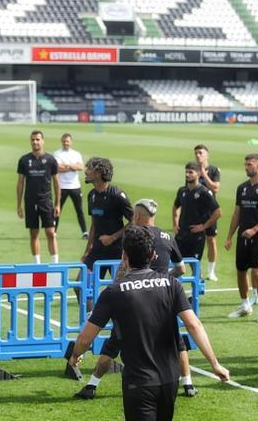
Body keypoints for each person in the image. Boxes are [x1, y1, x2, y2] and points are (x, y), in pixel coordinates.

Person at [69, 225, 229, 421]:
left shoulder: (113, 292)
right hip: (169, 380)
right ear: (153, 255)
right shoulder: (171, 284)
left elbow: (86, 337)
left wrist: (76, 354)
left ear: (124, 255)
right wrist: (215, 363)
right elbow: (194, 325)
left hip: (139, 382)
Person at [75, 199, 197, 401]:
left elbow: (124, 268)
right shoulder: (167, 236)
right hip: (163, 299)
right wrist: (165, 281)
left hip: (133, 297)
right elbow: (182, 269)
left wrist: (117, 289)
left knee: (114, 343)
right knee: (177, 341)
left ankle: (92, 385)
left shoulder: (135, 237)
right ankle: (188, 383)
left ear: (138, 216)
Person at [224, 153, 258, 325]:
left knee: (257, 272)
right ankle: (245, 305)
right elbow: (237, 213)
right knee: (240, 271)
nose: (247, 167)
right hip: (242, 237)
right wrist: (230, 236)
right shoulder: (242, 188)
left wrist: (255, 229)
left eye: (250, 164)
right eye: (245, 164)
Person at [80, 157, 133, 309]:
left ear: (98, 173)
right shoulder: (92, 195)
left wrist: (113, 237)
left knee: (121, 291)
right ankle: (92, 320)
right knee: (81, 286)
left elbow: (134, 220)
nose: (86, 172)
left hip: (117, 251)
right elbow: (94, 224)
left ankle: (120, 327)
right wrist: (87, 250)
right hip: (97, 250)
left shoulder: (117, 195)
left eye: (88, 168)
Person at [16, 130, 61, 263]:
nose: (35, 142)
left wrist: (58, 204)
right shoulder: (24, 160)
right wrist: (19, 205)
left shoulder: (51, 160)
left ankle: (55, 264)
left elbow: (57, 183)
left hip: (46, 201)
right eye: (33, 139)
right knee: (34, 233)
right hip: (30, 202)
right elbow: (20, 183)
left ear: (43, 141)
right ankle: (37, 264)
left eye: (37, 139)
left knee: (51, 233)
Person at [172, 161, 222, 269]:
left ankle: (198, 286)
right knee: (174, 263)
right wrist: (175, 224)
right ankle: (174, 286)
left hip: (196, 236)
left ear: (198, 174)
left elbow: (218, 212)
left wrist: (203, 226)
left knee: (194, 266)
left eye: (190, 172)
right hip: (181, 235)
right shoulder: (182, 191)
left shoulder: (204, 192)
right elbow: (175, 207)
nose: (187, 175)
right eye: (186, 172)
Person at [193, 145, 222, 281]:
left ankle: (211, 271)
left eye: (200, 153)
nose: (198, 155)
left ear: (207, 155)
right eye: (196, 153)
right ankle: (195, 271)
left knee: (211, 240)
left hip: (210, 212)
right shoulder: (192, 170)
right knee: (193, 241)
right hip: (195, 212)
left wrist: (203, 173)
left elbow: (216, 188)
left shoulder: (214, 170)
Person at [53, 133, 88, 238]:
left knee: (79, 210)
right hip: (62, 186)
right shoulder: (57, 153)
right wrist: (73, 166)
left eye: (67, 141)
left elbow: (81, 167)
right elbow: (57, 168)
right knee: (57, 209)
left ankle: (84, 232)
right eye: (64, 141)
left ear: (71, 142)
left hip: (75, 186)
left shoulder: (76, 154)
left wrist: (68, 166)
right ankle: (54, 232)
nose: (66, 143)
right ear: (61, 142)